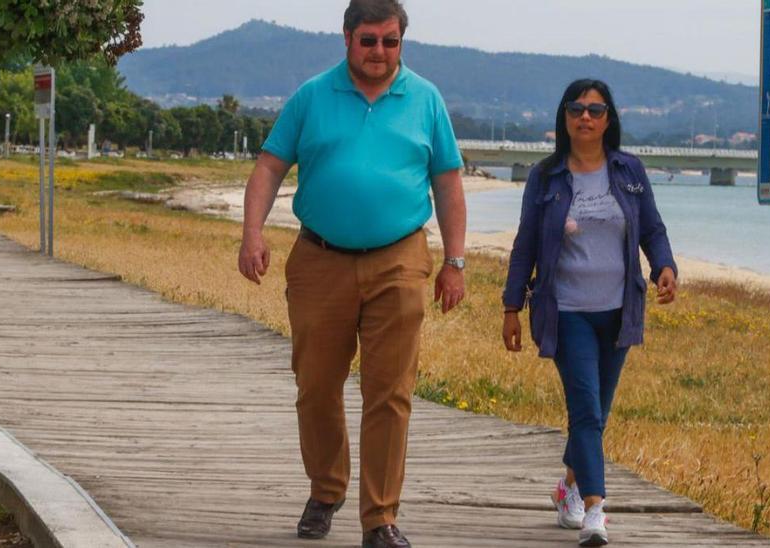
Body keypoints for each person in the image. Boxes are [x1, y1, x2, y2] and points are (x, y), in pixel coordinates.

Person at [236, 1, 467, 546]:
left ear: (402, 42)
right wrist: (252, 233)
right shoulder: (312, 95)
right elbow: (269, 166)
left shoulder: (426, 99)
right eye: (369, 41)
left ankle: (380, 518)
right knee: (316, 386)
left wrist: (455, 262)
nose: (379, 52)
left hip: (400, 259)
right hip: (320, 258)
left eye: (390, 41)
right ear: (346, 39)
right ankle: (326, 487)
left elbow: (449, 184)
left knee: (390, 391)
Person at [501, 79, 677, 547]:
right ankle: (595, 511)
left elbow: (652, 230)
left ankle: (569, 486)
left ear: (608, 119)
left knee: (596, 411)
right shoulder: (546, 176)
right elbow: (525, 245)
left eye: (595, 110)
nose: (585, 117)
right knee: (584, 407)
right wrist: (511, 306)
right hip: (567, 311)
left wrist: (665, 265)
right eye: (576, 108)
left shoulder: (629, 171)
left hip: (620, 310)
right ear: (564, 117)